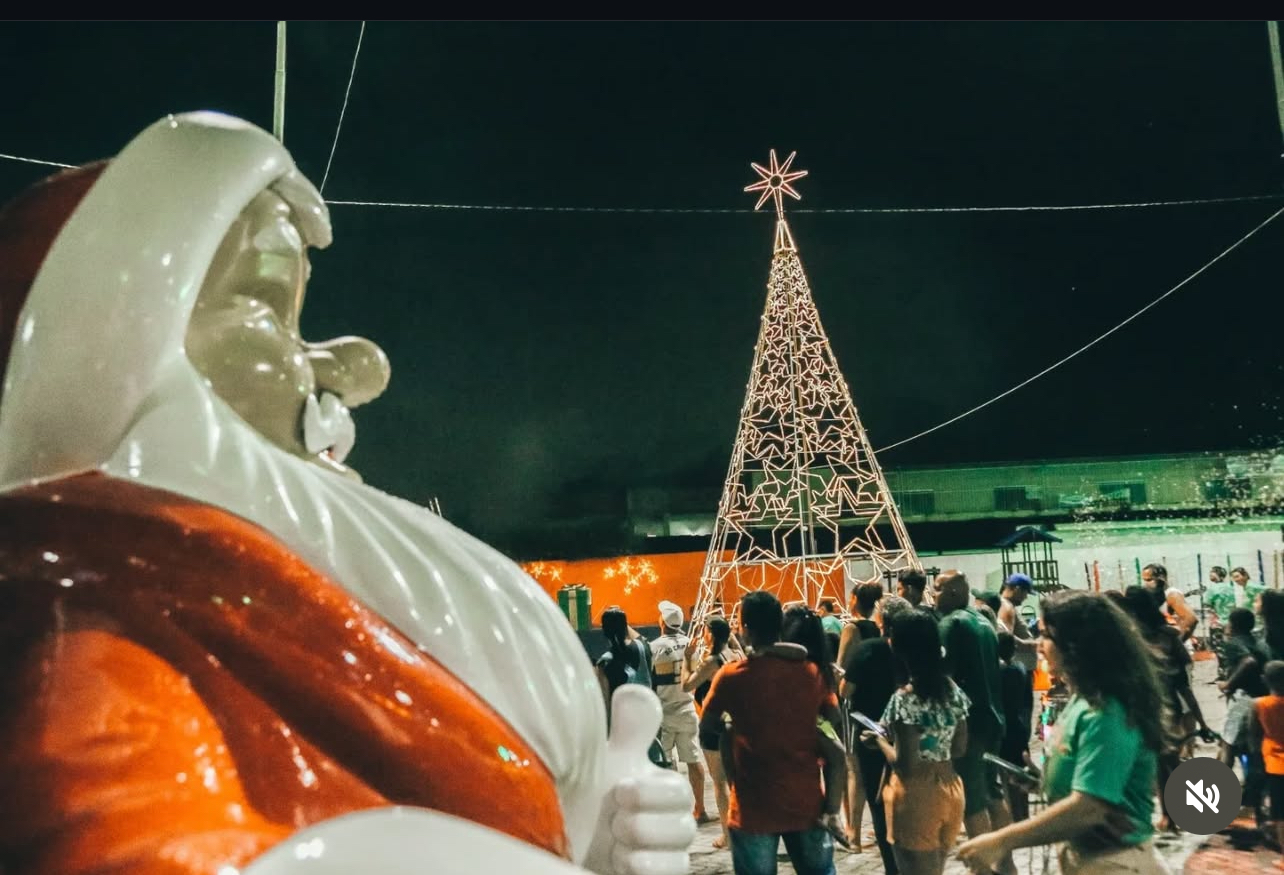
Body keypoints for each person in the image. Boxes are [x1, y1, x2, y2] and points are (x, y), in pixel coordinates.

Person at [0, 113, 693, 875]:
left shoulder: (268, 584)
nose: (356, 369)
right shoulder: (95, 631)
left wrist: (589, 832)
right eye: (272, 315)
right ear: (118, 350)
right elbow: (123, 842)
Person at [958, 591, 1169, 875]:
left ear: (1076, 645)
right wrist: (1045, 780)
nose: (1039, 646)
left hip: (1117, 864)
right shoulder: (1081, 700)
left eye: (1046, 636)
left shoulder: (1107, 711)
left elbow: (1089, 808)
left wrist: (1000, 841)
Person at [699, 591, 841, 875]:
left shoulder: (730, 676)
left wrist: (733, 728)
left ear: (746, 629)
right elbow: (834, 718)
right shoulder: (810, 672)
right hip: (806, 800)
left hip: (753, 804)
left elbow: (707, 727)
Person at [860, 609, 970, 875]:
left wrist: (879, 741)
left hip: (915, 796)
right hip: (951, 789)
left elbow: (905, 763)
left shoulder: (905, 699)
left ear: (898, 647)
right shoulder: (952, 690)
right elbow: (959, 747)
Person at [932, 570, 1011, 870]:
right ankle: (1006, 863)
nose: (933, 594)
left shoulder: (951, 624)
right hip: (994, 718)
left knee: (972, 798)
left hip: (971, 722)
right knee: (993, 792)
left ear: (953, 592)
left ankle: (982, 867)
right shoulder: (983, 621)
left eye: (937, 589)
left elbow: (945, 674)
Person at [1117, 585, 1209, 831]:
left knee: (1159, 762)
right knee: (1166, 760)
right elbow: (1183, 682)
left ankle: (1170, 813)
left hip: (1142, 707)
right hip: (1167, 706)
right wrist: (1201, 721)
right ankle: (1175, 811)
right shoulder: (1166, 635)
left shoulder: (1128, 637)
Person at [841, 595, 914, 875]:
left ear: (882, 621)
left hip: (872, 736)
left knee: (880, 799)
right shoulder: (918, 652)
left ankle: (893, 866)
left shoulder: (869, 649)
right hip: (912, 733)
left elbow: (846, 690)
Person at [685, 615, 744, 850]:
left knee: (720, 784)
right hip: (736, 721)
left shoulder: (712, 661)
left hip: (714, 724)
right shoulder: (736, 656)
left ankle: (728, 836)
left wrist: (687, 660)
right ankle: (742, 830)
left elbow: (687, 685)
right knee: (735, 782)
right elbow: (741, 651)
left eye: (706, 631)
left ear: (710, 634)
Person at [650, 600, 708, 821]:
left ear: (663, 622)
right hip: (687, 710)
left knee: (665, 764)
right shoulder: (691, 645)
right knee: (694, 761)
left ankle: (673, 811)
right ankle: (700, 809)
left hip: (663, 712)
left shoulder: (653, 647)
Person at [997, 631, 1035, 821]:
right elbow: (1028, 703)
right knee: (1021, 774)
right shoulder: (1022, 669)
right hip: (1020, 727)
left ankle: (1013, 816)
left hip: (1005, 730)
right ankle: (1024, 814)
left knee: (1007, 777)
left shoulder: (997, 672)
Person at [1250, 661, 1284, 868]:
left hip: (1273, 764)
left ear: (1264, 680)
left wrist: (1255, 761)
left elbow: (1253, 734)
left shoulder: (1259, 704)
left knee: (1280, 813)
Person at [1140, 563, 1196, 642]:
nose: (1146, 584)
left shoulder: (1172, 594)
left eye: (1149, 580)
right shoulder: (1152, 595)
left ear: (1162, 578)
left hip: (1172, 648)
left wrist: (1177, 643)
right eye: (1144, 580)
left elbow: (1191, 619)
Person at [998, 574, 1039, 674]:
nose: (1025, 598)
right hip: (1016, 671)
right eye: (1026, 593)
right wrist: (1031, 645)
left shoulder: (1006, 605)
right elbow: (1005, 638)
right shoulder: (1006, 607)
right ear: (1017, 589)